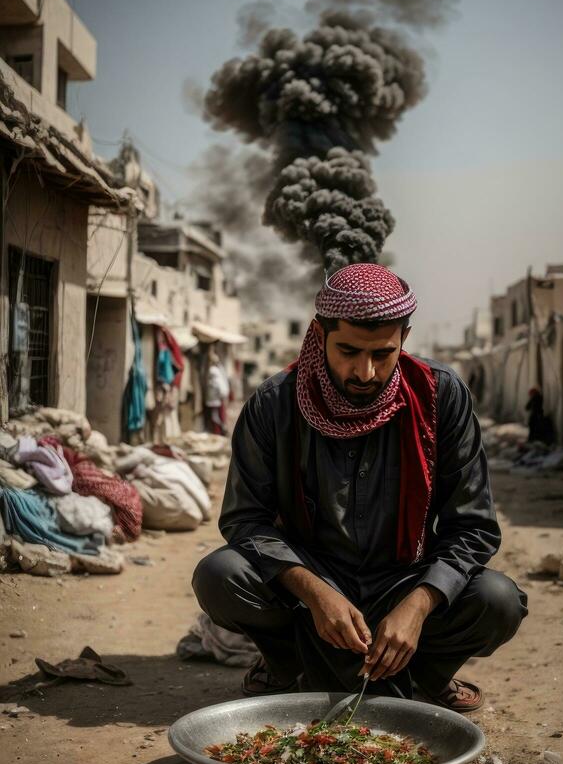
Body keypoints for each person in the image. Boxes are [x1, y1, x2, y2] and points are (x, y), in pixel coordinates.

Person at [193, 264, 528, 712]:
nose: (365, 372)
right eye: (348, 351)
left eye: (383, 354)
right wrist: (315, 592)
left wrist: (418, 604)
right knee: (219, 576)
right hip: (310, 578)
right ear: (319, 334)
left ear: (404, 339)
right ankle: (283, 665)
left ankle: (428, 675)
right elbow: (245, 518)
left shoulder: (441, 397)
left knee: (499, 600)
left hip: (404, 575)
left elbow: (473, 527)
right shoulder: (274, 404)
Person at [204, 351, 230, 436]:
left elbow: (218, 384)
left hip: (215, 397)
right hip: (215, 397)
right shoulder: (217, 369)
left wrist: (222, 393)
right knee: (216, 416)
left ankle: (219, 431)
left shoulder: (213, 370)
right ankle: (219, 431)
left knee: (215, 416)